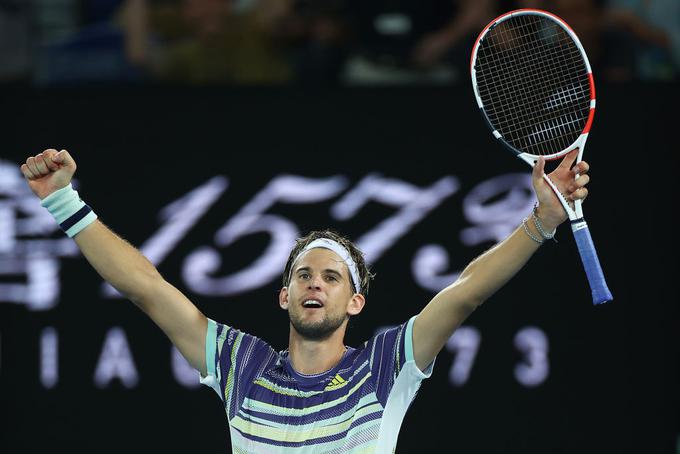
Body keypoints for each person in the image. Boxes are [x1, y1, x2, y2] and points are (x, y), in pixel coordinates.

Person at [20, 147, 590, 452]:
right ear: (284, 294)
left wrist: (540, 221)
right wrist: (64, 204)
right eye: (305, 274)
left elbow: (465, 293)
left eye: (332, 277)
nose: (316, 283)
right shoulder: (240, 365)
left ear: (356, 303)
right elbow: (147, 288)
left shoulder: (386, 367)